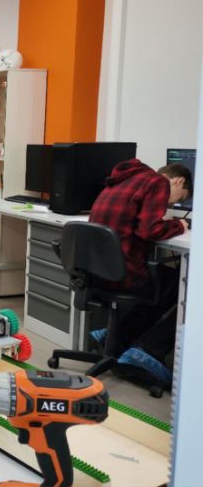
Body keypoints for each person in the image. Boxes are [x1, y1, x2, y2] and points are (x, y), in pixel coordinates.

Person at [88, 160, 191, 387]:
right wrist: (180, 225)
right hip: (121, 274)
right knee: (187, 286)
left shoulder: (124, 178)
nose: (172, 203)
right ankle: (148, 351)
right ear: (178, 181)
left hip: (96, 271)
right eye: (180, 198)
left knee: (167, 280)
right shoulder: (158, 182)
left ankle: (116, 337)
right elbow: (149, 231)